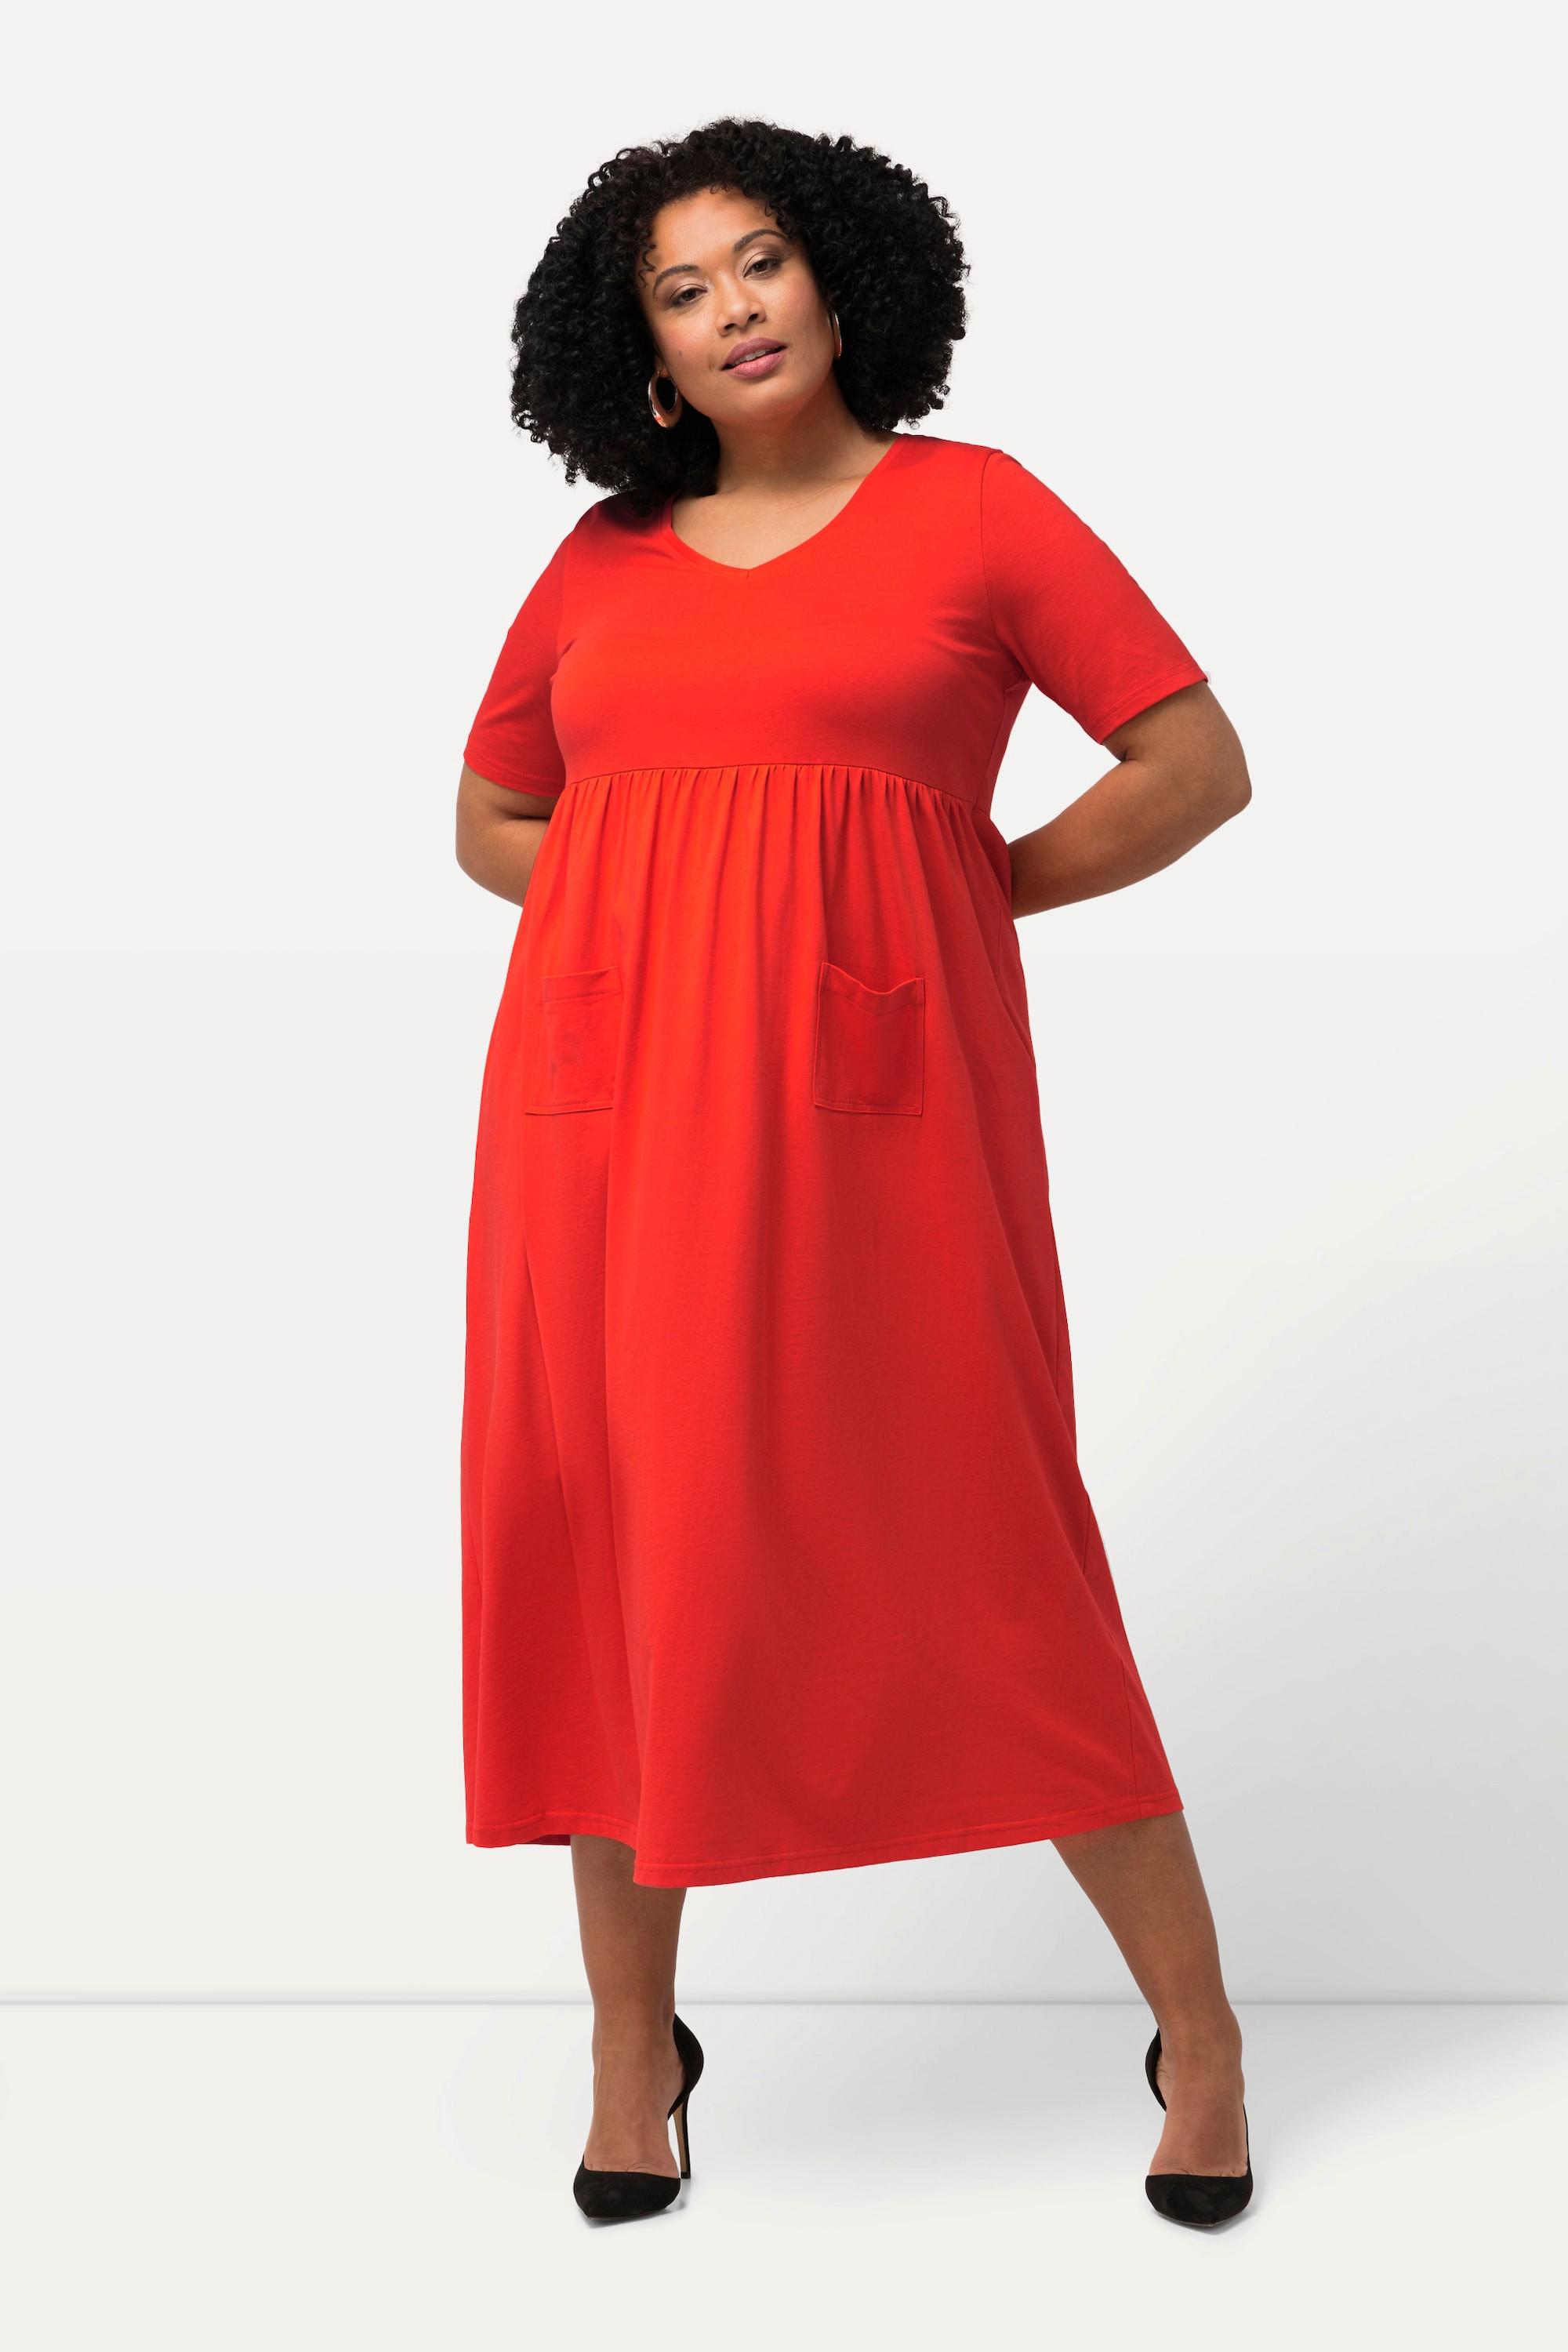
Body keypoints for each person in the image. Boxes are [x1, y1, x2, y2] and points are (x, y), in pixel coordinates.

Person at [454, 116, 1255, 2227]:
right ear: (635, 352)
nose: (732, 308)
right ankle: (634, 2056)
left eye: (760, 261)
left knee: (988, 1536)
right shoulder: (600, 564)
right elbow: (494, 822)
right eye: (680, 290)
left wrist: (962, 891)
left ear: (843, 275)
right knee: (611, 1554)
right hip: (604, 1120)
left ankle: (1203, 2032)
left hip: (880, 1114)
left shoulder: (975, 510)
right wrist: (656, 918)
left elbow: (1193, 764)